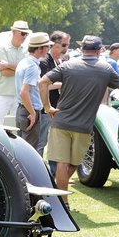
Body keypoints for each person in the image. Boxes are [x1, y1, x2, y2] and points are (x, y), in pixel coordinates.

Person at [39, 35, 119, 208]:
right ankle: (63, 201)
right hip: (83, 125)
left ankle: (58, 195)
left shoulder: (68, 65)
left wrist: (47, 107)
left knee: (63, 162)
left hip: (60, 121)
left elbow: (43, 81)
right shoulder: (105, 68)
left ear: (82, 49)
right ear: (99, 51)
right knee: (74, 163)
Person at [14, 32, 54, 148]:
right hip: (29, 111)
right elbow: (24, 92)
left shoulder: (24, 62)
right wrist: (32, 113)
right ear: (40, 49)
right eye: (47, 46)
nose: (48, 49)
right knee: (29, 151)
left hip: (22, 110)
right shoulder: (32, 67)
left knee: (22, 150)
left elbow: (38, 86)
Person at [38, 31, 70, 163]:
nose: (66, 47)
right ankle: (36, 174)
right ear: (55, 45)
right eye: (64, 44)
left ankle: (52, 172)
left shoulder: (59, 61)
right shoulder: (44, 62)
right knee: (41, 143)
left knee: (55, 144)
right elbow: (42, 85)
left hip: (57, 108)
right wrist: (64, 83)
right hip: (45, 109)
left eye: (67, 44)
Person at [0, 20, 31, 125]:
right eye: (22, 33)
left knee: (17, 126)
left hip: (19, 95)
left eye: (26, 34)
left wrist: (8, 65)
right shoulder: (2, 48)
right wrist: (20, 69)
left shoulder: (26, 51)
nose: (25, 36)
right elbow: (4, 73)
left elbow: (27, 71)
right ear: (13, 32)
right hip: (2, 93)